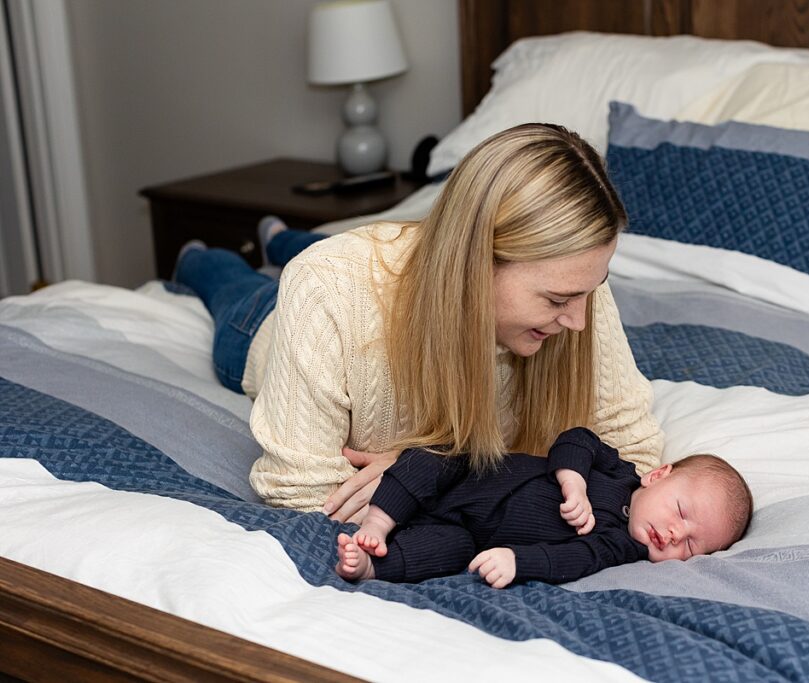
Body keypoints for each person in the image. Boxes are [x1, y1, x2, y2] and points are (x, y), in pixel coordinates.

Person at [173, 123, 664, 523]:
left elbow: (635, 458)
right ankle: (204, 255)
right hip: (260, 330)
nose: (578, 321)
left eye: (590, 292)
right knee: (230, 285)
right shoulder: (324, 286)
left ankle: (280, 237)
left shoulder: (578, 285)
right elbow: (300, 494)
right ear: (476, 263)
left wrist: (431, 474)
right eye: (558, 298)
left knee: (309, 250)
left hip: (379, 268)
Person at [334, 427, 752, 587]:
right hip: (472, 474)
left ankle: (371, 566)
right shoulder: (618, 471)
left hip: (470, 532)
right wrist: (574, 481)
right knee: (433, 457)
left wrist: (518, 561)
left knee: (448, 552)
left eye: (693, 547)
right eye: (680, 511)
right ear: (658, 475)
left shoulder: (618, 546)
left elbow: (570, 559)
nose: (677, 534)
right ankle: (377, 522)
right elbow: (578, 438)